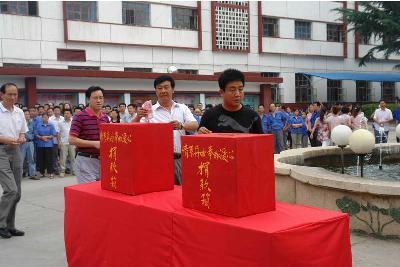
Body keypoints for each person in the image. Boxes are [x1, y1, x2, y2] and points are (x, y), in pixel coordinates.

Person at [134, 75, 198, 185]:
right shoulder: (148, 111)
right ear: (155, 91)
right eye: (159, 88)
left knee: (181, 192)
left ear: (172, 89)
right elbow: (133, 131)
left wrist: (181, 126)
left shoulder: (182, 108)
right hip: (157, 161)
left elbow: (195, 124)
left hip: (180, 159)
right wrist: (138, 117)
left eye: (166, 87)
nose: (163, 91)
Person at [198, 69, 263, 135]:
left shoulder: (253, 116)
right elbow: (201, 142)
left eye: (240, 89)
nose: (237, 94)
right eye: (232, 90)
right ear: (222, 92)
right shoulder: (209, 115)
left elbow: (261, 141)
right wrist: (200, 133)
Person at [0, 83, 27, 239]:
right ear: (2, 94)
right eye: (9, 94)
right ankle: (1, 224)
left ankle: (10, 226)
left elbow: (22, 132)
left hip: (15, 150)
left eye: (15, 94)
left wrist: (22, 137)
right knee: (11, 189)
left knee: (17, 193)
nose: (13, 97)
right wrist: (6, 139)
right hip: (1, 150)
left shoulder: (19, 112)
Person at [69, 86, 110, 184]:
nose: (99, 101)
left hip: (103, 161)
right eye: (95, 98)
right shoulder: (79, 116)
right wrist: (94, 144)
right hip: (86, 160)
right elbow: (72, 139)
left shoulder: (105, 118)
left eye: (101, 98)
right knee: (89, 193)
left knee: (102, 193)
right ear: (88, 99)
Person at [35, 113, 56, 179]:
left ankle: (51, 173)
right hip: (40, 144)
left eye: (46, 117)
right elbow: (36, 134)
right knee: (41, 159)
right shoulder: (38, 125)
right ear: (42, 118)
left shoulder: (51, 125)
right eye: (43, 117)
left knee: (49, 159)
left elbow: (53, 134)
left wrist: (47, 137)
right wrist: (41, 137)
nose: (45, 118)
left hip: (49, 144)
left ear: (48, 118)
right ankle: (42, 172)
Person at [20, 110, 37, 180]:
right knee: (21, 159)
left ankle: (32, 174)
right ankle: (19, 175)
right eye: (25, 114)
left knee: (31, 159)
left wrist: (29, 136)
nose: (27, 115)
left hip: (30, 143)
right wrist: (27, 135)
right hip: (22, 143)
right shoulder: (20, 123)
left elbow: (34, 132)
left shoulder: (32, 123)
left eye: (28, 114)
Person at [58, 109, 75, 177]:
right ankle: (62, 171)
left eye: (68, 113)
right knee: (62, 158)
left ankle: (74, 170)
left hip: (72, 142)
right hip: (63, 142)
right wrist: (59, 141)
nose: (66, 114)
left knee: (73, 158)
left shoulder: (73, 122)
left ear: (71, 114)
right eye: (65, 113)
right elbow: (58, 133)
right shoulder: (60, 122)